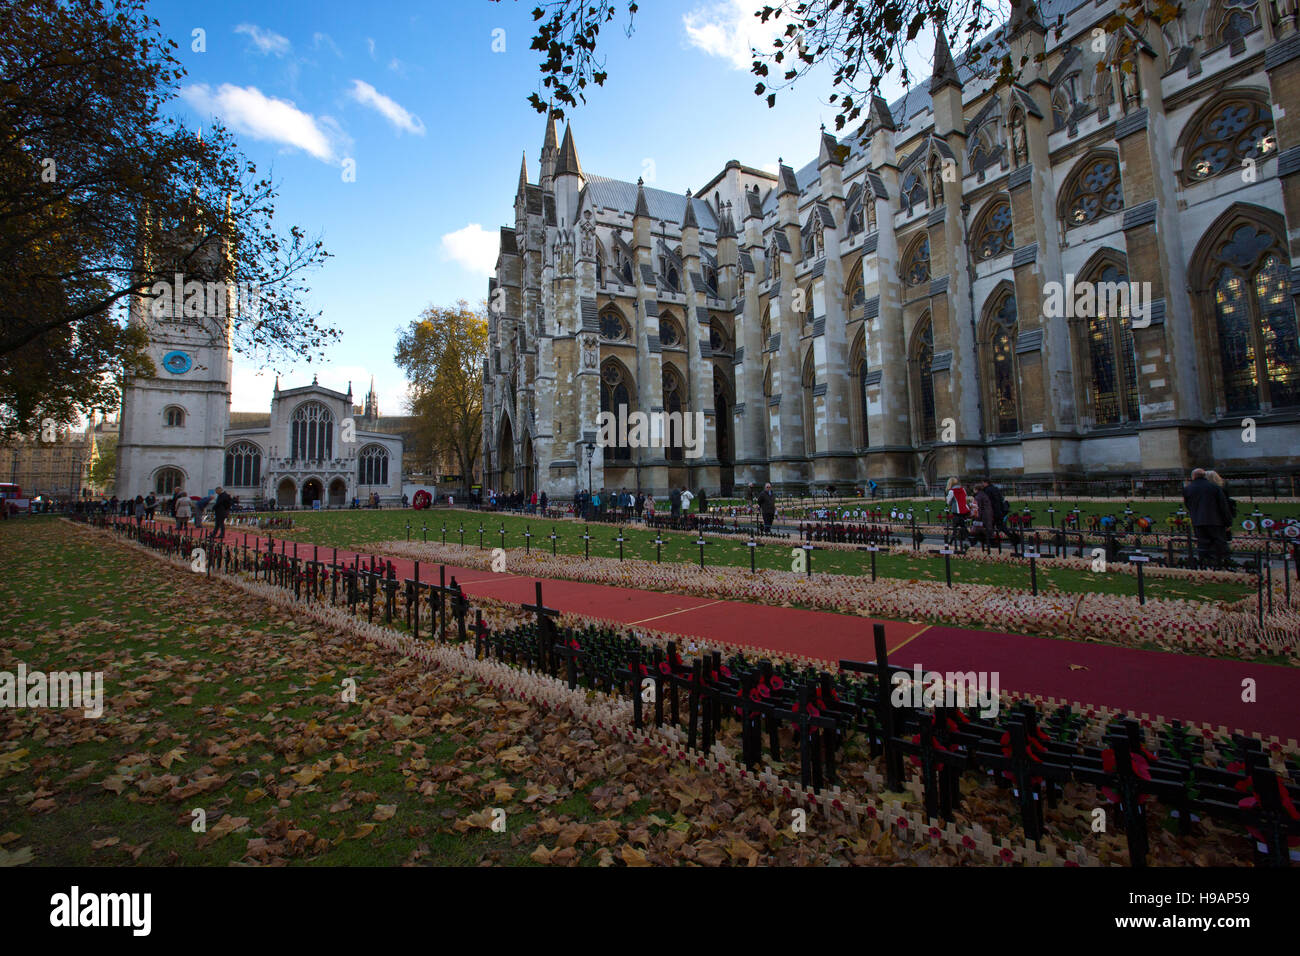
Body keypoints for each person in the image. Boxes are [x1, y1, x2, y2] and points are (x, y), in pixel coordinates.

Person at [1184, 467, 1232, 568]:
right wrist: (1228, 522)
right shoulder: (1214, 487)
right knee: (1219, 542)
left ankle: (1204, 563)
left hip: (1198, 521)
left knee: (1202, 544)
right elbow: (1223, 506)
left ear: (1193, 477)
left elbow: (1188, 505)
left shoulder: (1188, 489)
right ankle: (1223, 563)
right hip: (1215, 521)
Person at [945, 477, 971, 550]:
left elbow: (948, 501)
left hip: (956, 511)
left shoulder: (951, 491)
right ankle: (970, 539)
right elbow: (964, 498)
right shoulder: (962, 489)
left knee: (955, 527)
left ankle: (951, 541)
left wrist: (951, 502)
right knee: (963, 526)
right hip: (964, 510)